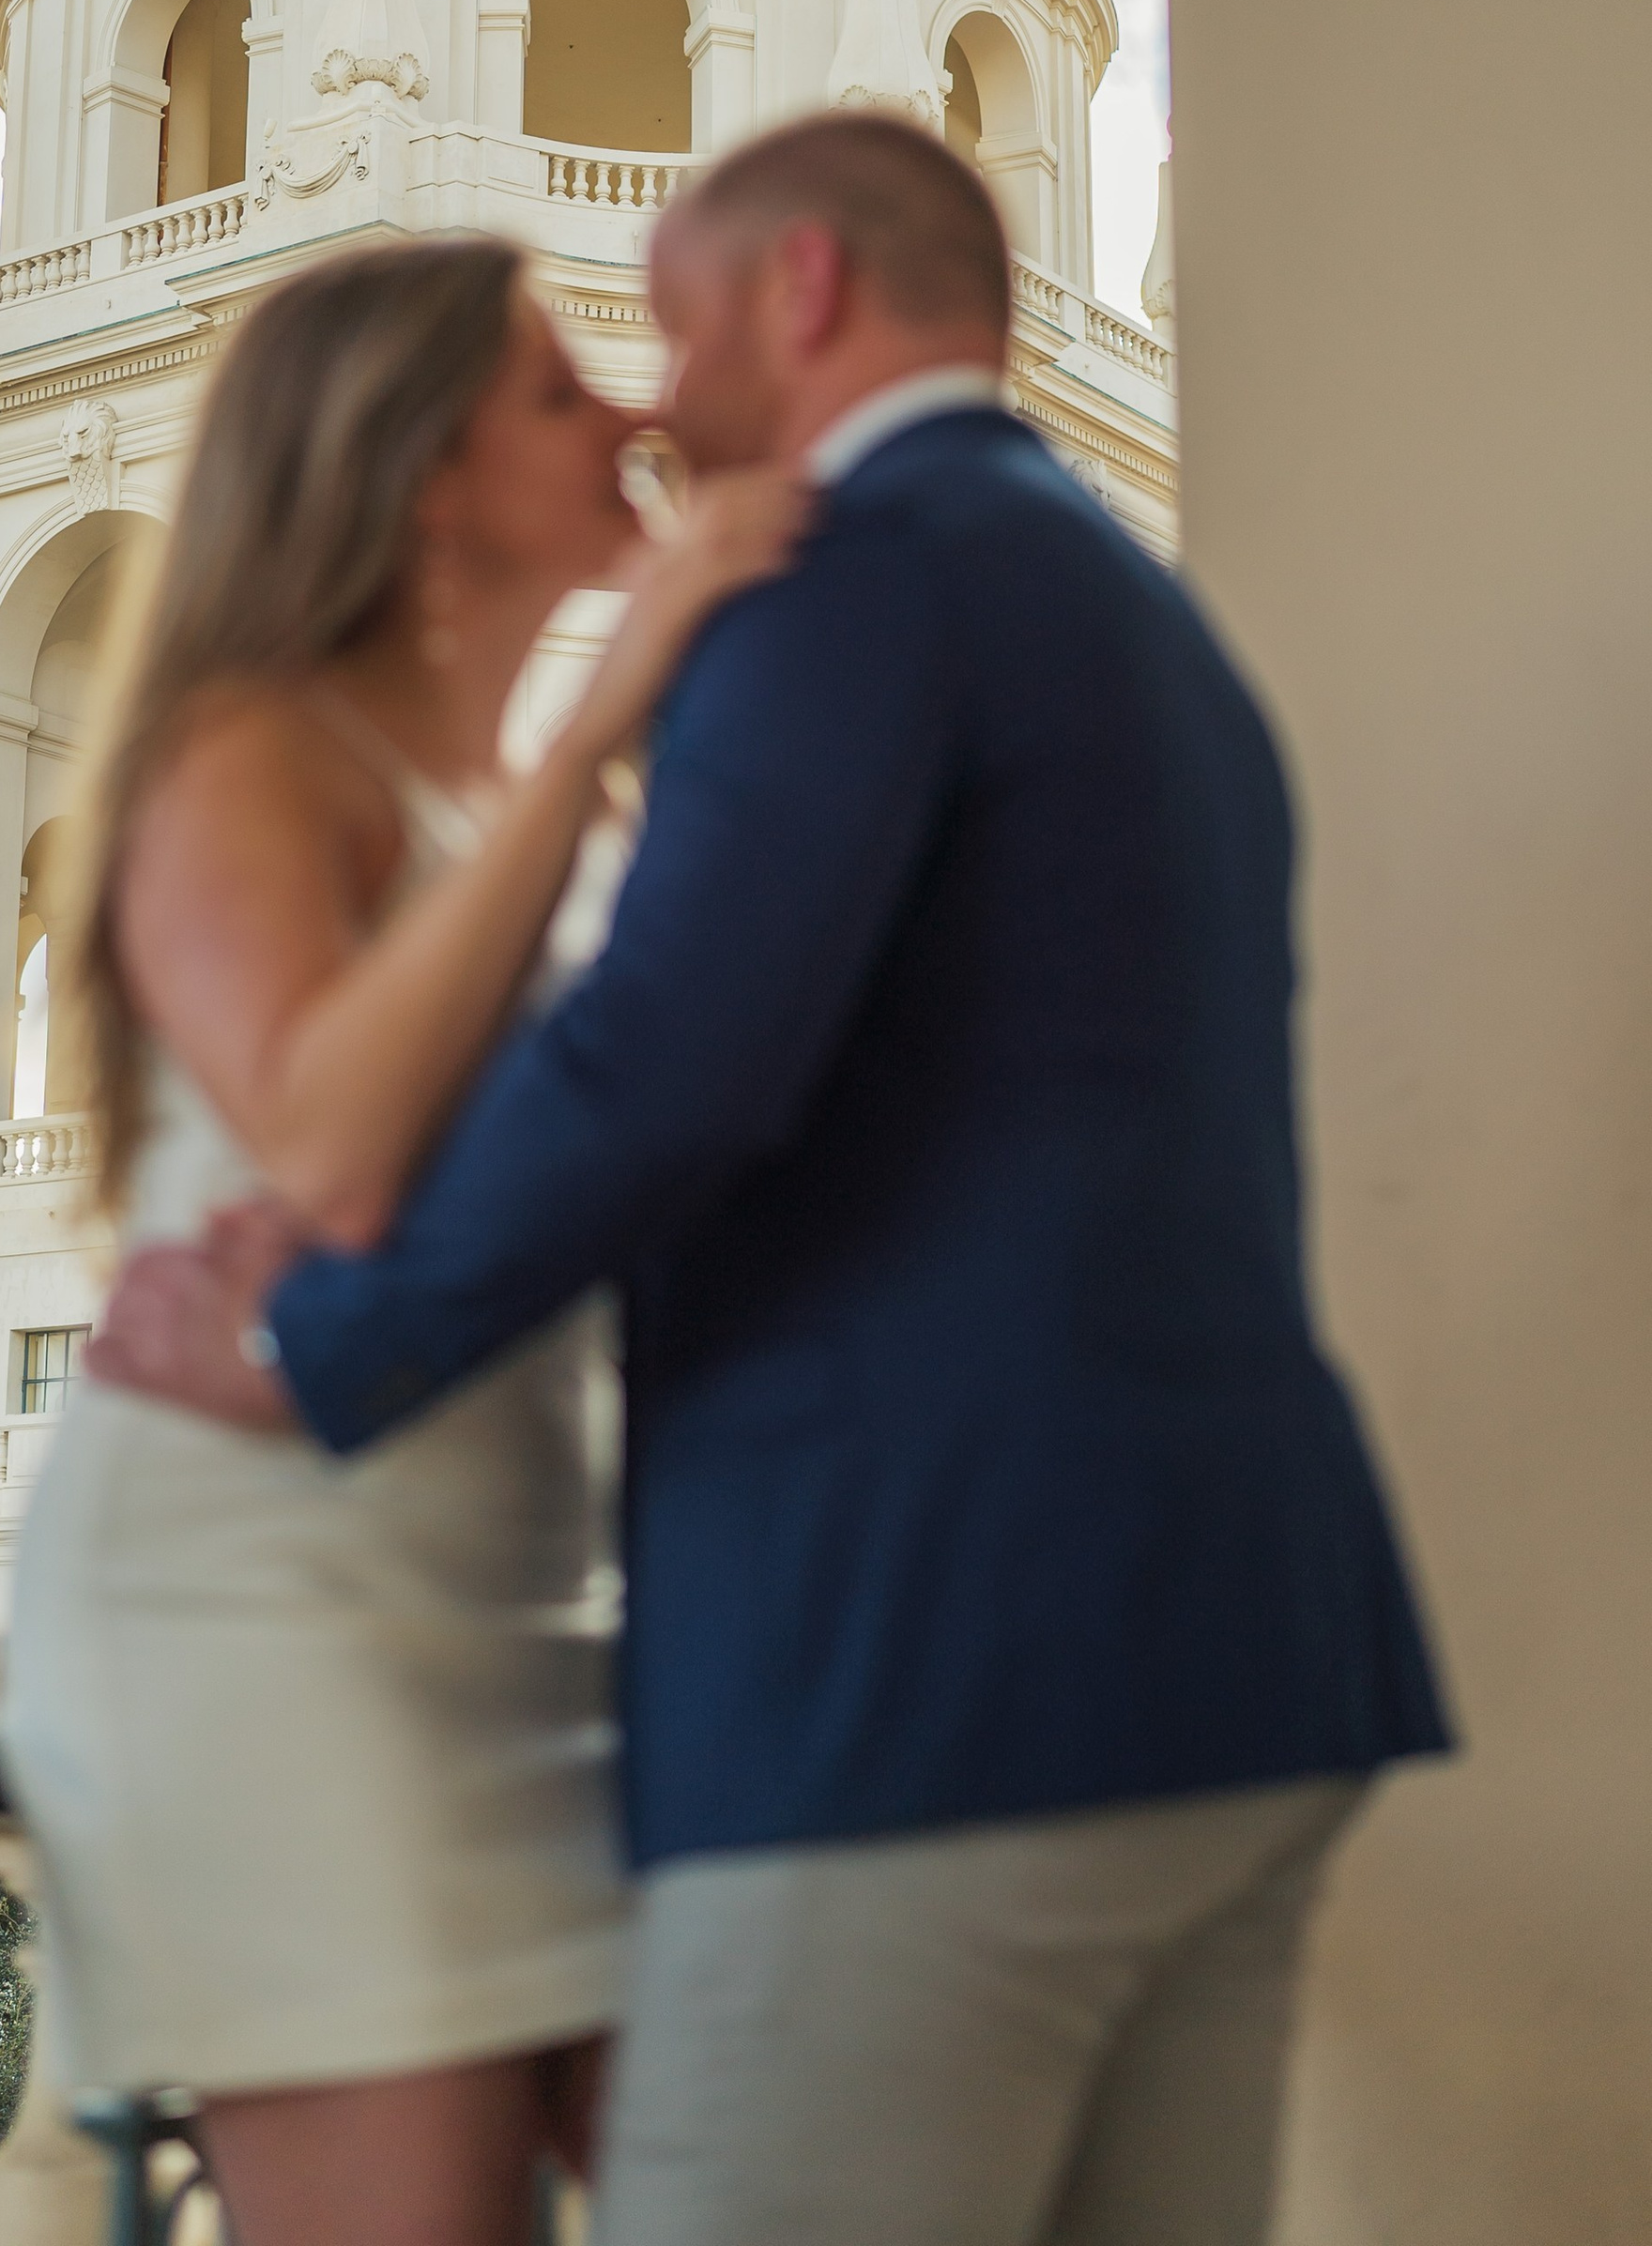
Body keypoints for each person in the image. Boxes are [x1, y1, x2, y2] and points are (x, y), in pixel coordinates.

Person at [89, 110, 1452, 2246]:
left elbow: (662, 1067)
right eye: (578, 370)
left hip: (922, 1678)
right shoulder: (1134, 612)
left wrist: (318, 1341)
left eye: (663, 328)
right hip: (1244, 1673)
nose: (650, 401)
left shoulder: (847, 575)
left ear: (797, 294)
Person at [0, 235, 811, 2246]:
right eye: (556, 392)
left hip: (531, 1611)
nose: (629, 415)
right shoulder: (247, 749)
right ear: (420, 472)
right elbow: (338, 1147)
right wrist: (599, 708)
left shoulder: (559, 814)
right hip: (268, 1622)